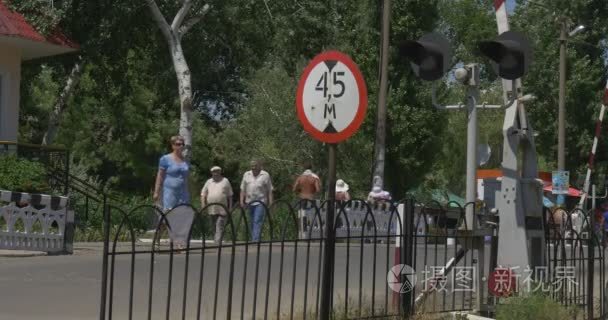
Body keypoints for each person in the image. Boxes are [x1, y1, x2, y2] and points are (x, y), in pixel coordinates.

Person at [153, 135, 191, 249]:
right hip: (169, 191)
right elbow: (160, 175)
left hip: (182, 192)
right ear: (173, 145)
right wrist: (156, 191)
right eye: (178, 144)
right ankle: (157, 237)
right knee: (167, 217)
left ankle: (178, 243)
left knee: (181, 218)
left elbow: (186, 178)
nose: (180, 146)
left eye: (182, 144)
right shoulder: (165, 159)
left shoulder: (185, 160)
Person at [240, 160, 273, 241]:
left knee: (257, 220)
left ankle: (255, 240)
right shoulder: (246, 174)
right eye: (252, 166)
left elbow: (270, 190)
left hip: (261, 202)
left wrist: (271, 203)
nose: (253, 167)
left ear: (259, 166)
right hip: (249, 202)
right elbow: (242, 189)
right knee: (252, 221)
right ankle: (254, 238)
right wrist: (241, 201)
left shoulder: (265, 175)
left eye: (255, 165)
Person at [201, 166, 233, 244]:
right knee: (213, 225)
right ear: (211, 173)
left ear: (220, 172)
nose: (216, 173)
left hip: (222, 208)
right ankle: (217, 240)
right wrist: (203, 204)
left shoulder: (225, 181)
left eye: (217, 171)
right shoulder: (209, 181)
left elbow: (230, 195)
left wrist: (230, 207)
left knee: (220, 224)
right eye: (214, 171)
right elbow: (203, 194)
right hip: (211, 208)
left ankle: (217, 242)